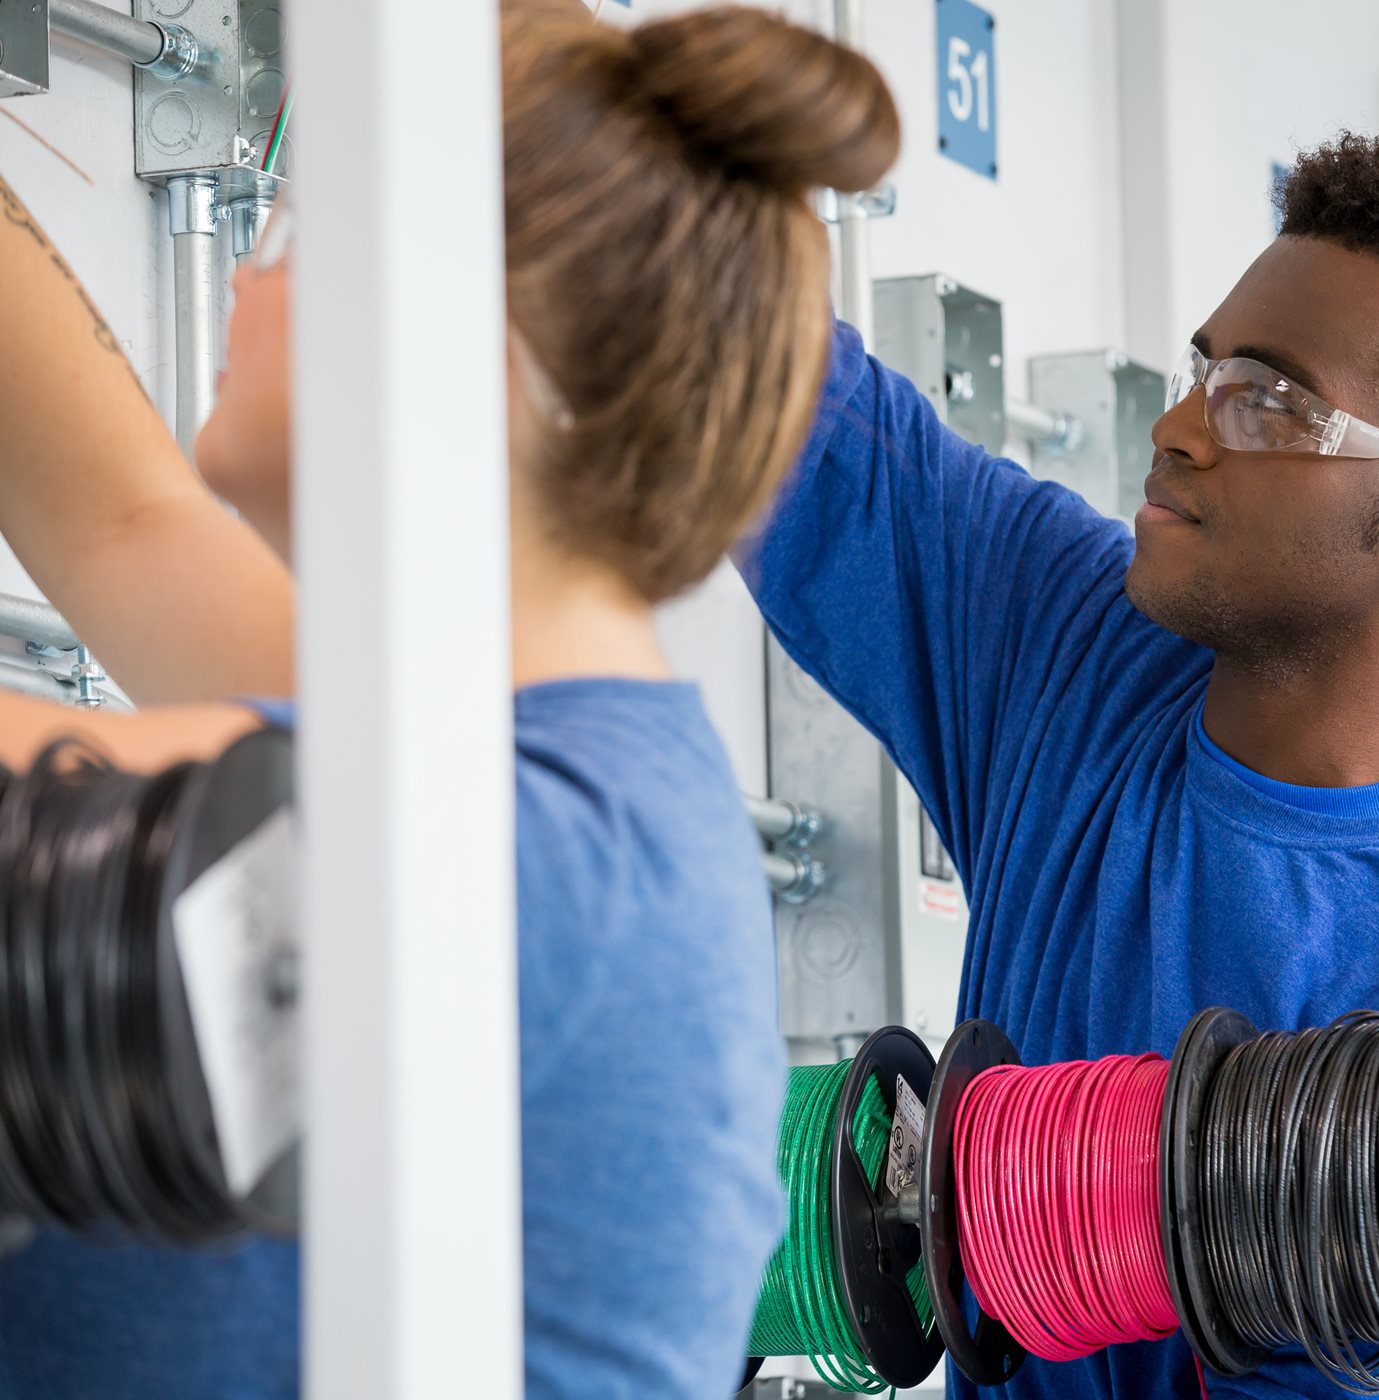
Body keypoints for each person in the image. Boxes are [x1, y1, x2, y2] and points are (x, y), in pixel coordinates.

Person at [0, 2, 899, 1395]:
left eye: (295, 238)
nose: (243, 277)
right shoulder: (564, 761)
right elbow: (129, 523)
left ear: (472, 347)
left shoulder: (535, 854)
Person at [743, 132, 1379, 1397]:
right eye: (1204, 370)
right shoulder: (1077, 657)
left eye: (1264, 398)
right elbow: (771, 397)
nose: (1177, 426)